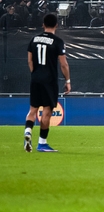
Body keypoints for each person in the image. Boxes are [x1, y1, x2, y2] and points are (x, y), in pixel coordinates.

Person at [25, 13, 70, 153]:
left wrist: (35, 74)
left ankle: (28, 131)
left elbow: (29, 60)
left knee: (33, 109)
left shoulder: (34, 39)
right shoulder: (57, 41)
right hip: (49, 80)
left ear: (43, 25)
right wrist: (68, 80)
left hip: (35, 78)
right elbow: (63, 64)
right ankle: (42, 143)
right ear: (56, 25)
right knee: (47, 111)